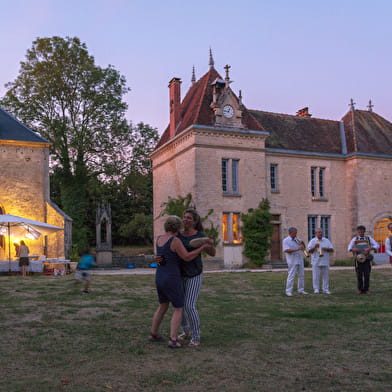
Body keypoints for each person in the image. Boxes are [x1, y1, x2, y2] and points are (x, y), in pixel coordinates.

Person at [149, 215, 210, 348]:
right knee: (178, 308)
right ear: (178, 227)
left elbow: (161, 257)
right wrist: (201, 248)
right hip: (172, 278)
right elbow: (187, 257)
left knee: (163, 306)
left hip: (160, 276)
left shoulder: (159, 239)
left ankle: (153, 333)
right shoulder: (175, 240)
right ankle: (173, 339)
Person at [177, 209, 215, 347]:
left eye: (188, 218)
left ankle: (196, 336)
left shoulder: (200, 236)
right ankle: (185, 329)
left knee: (189, 305)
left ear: (194, 221)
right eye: (184, 217)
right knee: (178, 305)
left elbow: (212, 253)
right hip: (179, 274)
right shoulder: (178, 235)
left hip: (194, 274)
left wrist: (209, 245)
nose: (185, 220)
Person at [348, 225, 379, 295]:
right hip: (358, 259)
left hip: (367, 259)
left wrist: (369, 248)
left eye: (362, 232)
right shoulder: (354, 239)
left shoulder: (368, 238)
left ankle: (366, 289)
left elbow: (377, 245)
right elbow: (349, 247)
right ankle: (360, 289)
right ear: (358, 232)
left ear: (364, 232)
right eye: (359, 232)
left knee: (367, 275)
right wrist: (353, 249)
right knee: (359, 275)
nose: (361, 233)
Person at [307, 228, 334, 294]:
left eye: (321, 232)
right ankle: (316, 289)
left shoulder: (326, 240)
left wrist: (326, 248)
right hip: (316, 261)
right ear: (315, 233)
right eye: (319, 232)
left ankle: (325, 289)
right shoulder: (312, 241)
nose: (320, 233)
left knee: (326, 276)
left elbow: (332, 250)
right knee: (316, 276)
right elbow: (309, 251)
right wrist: (314, 247)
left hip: (325, 261)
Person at [283, 227, 308, 296]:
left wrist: (303, 243)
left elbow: (303, 248)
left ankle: (301, 290)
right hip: (292, 261)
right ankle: (288, 291)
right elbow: (286, 250)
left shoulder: (297, 240)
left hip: (300, 260)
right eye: (295, 233)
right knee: (291, 276)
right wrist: (297, 249)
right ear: (291, 233)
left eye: (296, 233)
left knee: (301, 276)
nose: (296, 234)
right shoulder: (286, 240)